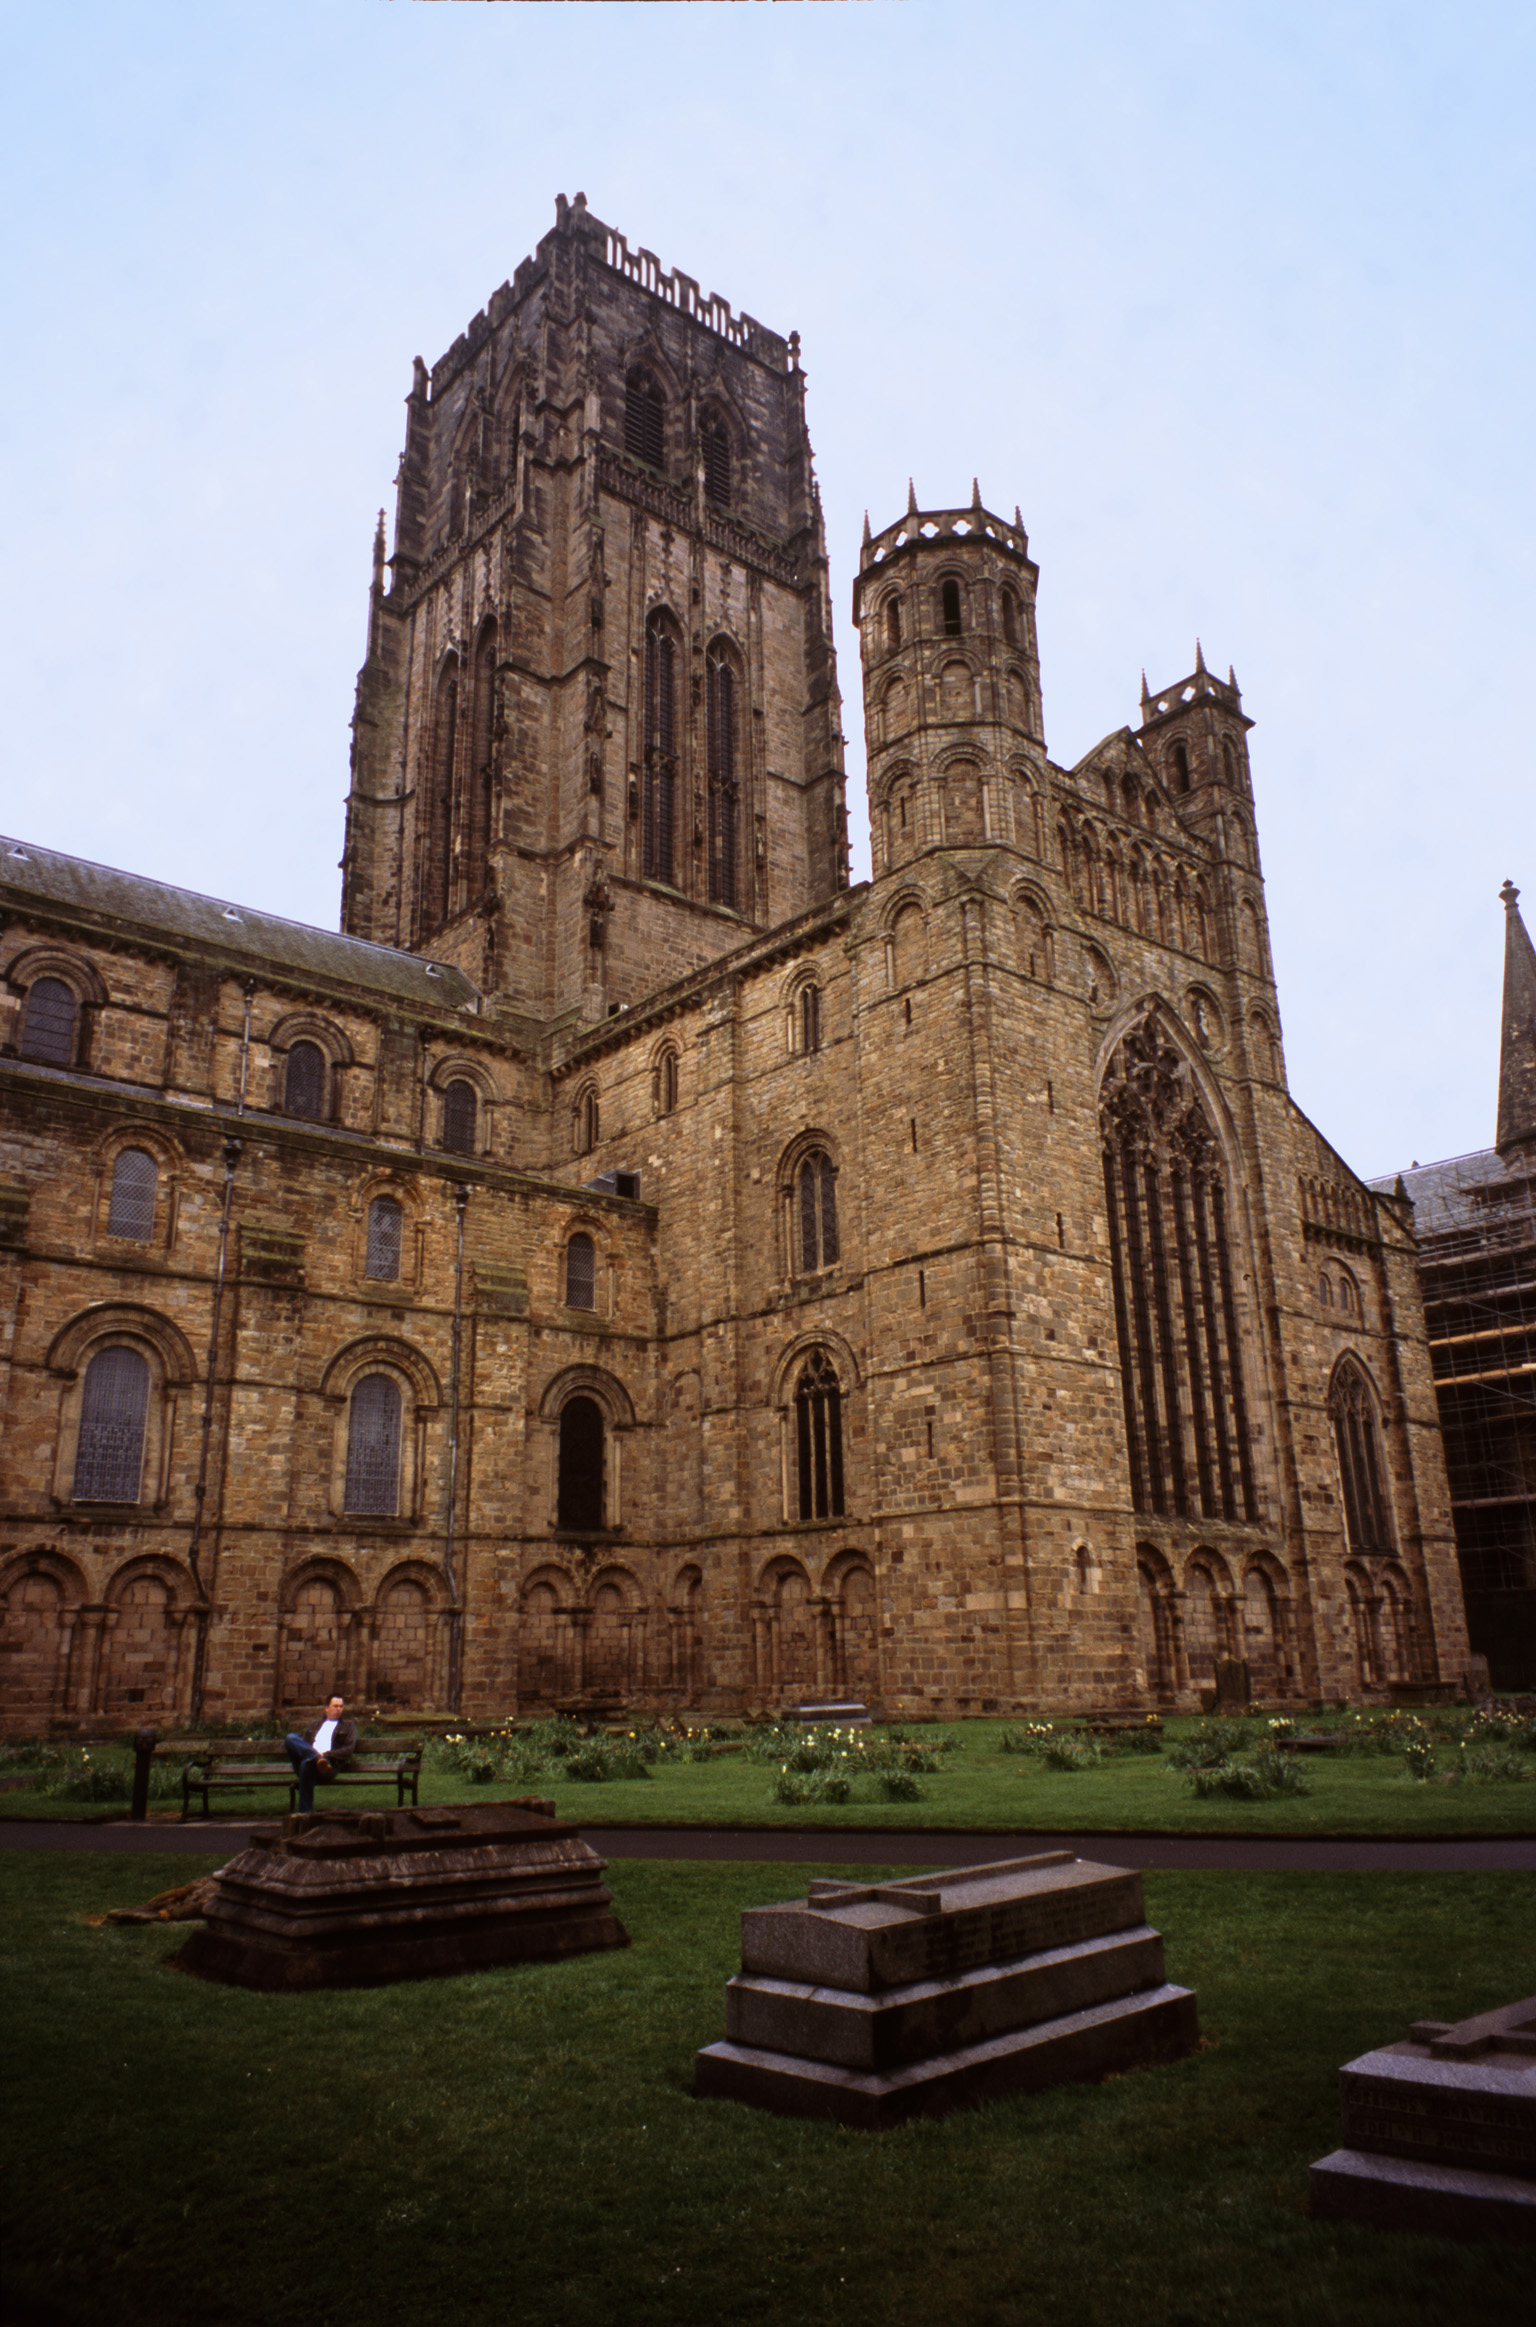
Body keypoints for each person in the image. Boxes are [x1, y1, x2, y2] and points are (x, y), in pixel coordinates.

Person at [283, 1693, 357, 1813]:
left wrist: (325, 1755)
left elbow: (348, 1750)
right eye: (335, 1706)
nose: (338, 1709)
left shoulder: (348, 1726)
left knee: (306, 1764)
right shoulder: (315, 1725)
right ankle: (315, 1757)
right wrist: (316, 1756)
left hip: (328, 1766)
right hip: (310, 1760)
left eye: (341, 1706)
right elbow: (303, 1745)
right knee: (290, 1738)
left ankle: (305, 1814)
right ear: (327, 1708)